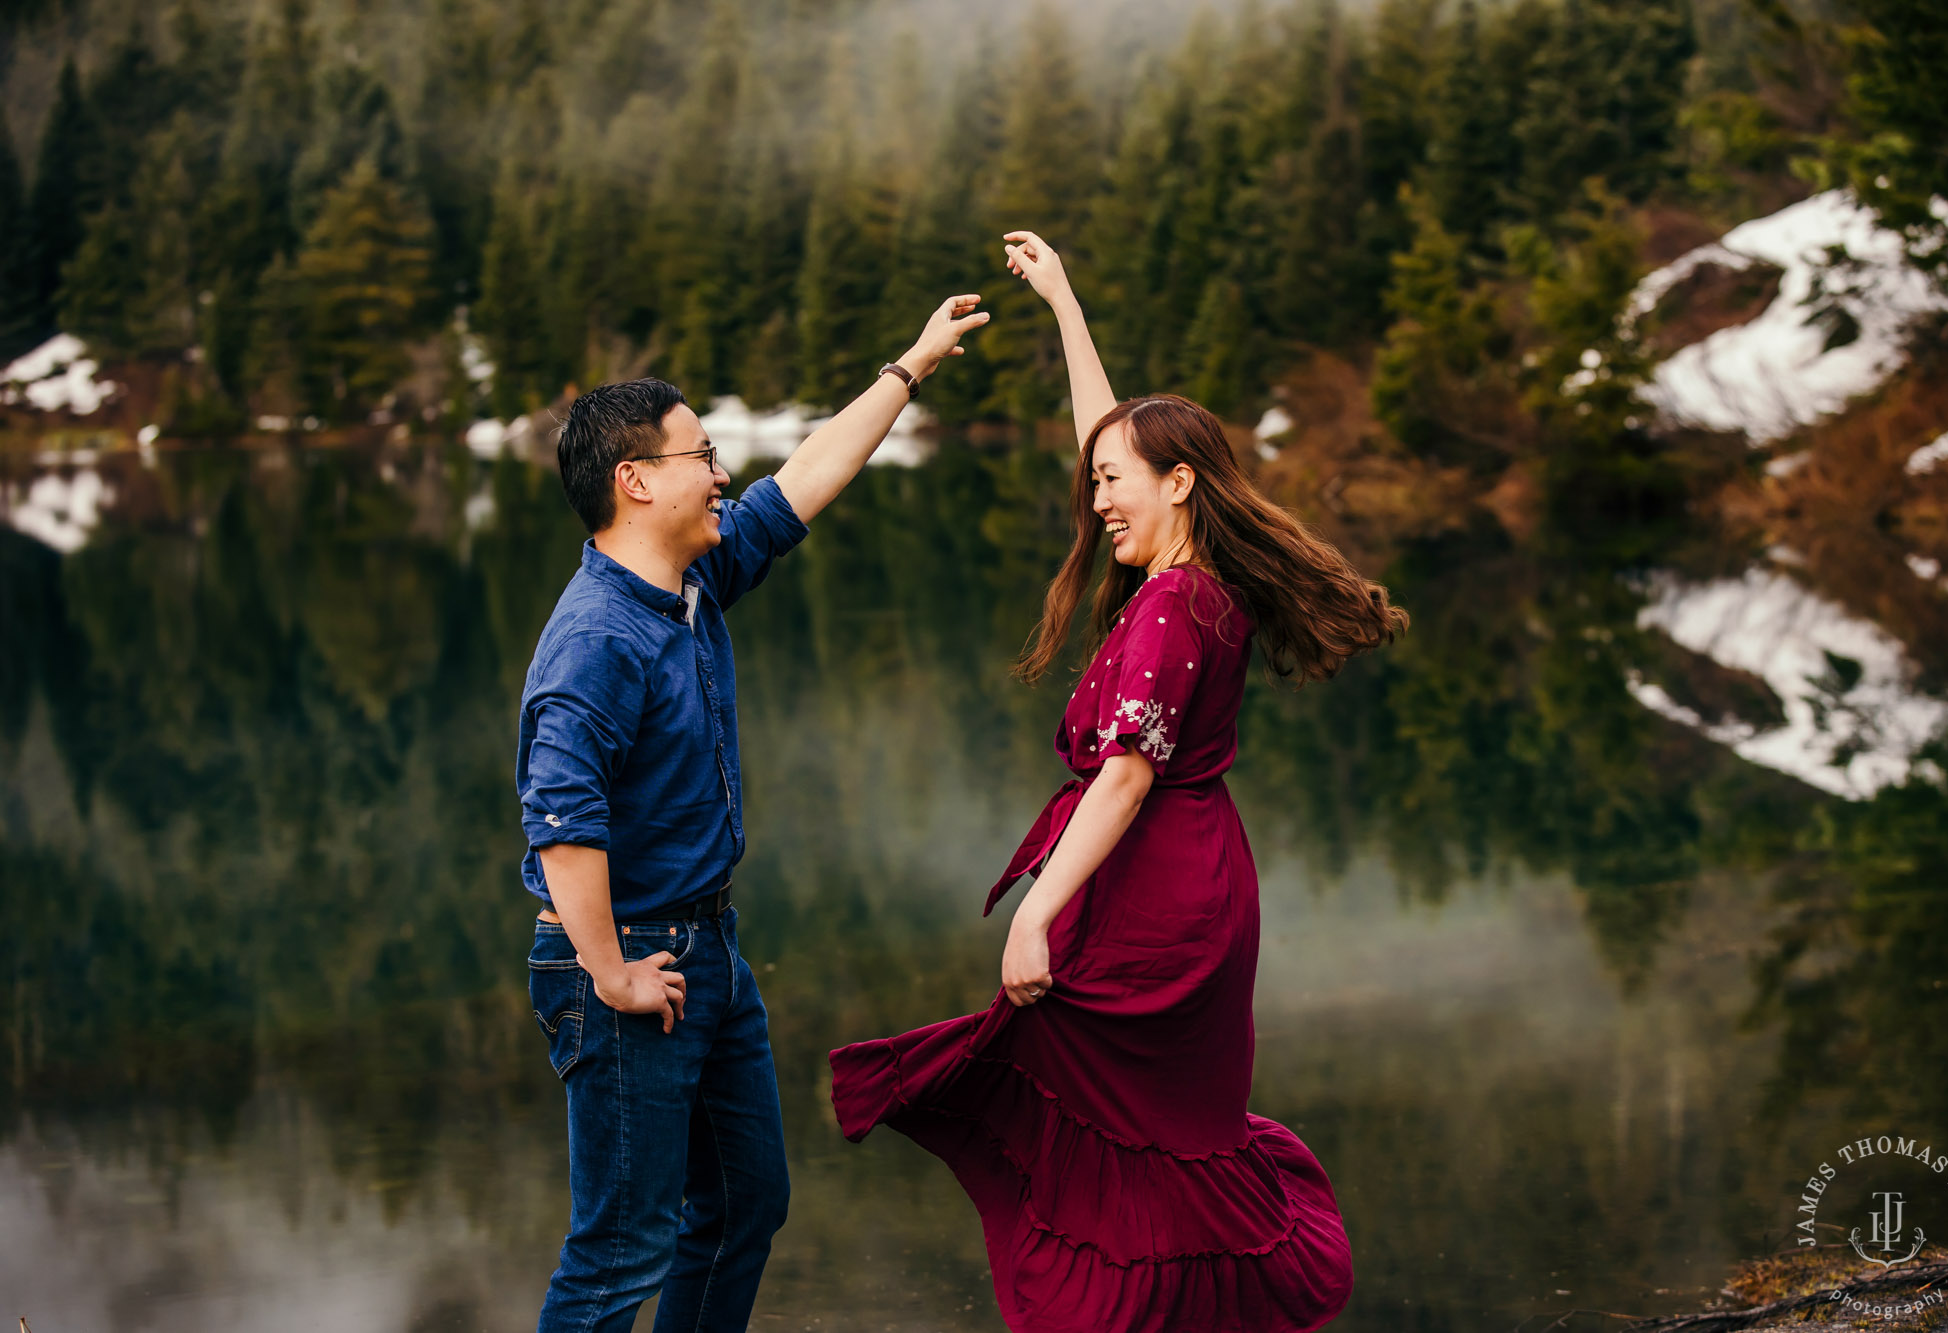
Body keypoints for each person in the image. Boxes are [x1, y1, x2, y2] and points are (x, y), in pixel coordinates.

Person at [828, 233, 1406, 1333]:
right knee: (1135, 1137)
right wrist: (1063, 304)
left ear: (1178, 482)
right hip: (1180, 879)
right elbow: (1116, 441)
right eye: (1092, 480)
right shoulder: (1197, 580)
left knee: (1124, 1129)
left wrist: (1035, 915)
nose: (1094, 500)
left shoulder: (1175, 605)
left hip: (1154, 895)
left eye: (1111, 484)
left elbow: (1127, 776)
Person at [518, 293, 989, 1332]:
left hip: (706, 949)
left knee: (742, 1204)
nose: (721, 469)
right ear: (634, 481)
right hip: (628, 957)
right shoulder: (594, 636)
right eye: (699, 453)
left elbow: (804, 479)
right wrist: (608, 973)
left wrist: (909, 366)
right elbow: (559, 822)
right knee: (616, 1251)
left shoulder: (690, 580)